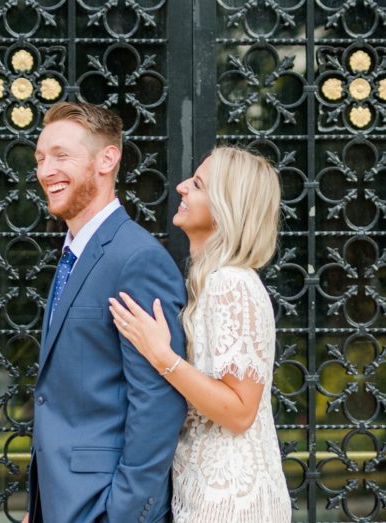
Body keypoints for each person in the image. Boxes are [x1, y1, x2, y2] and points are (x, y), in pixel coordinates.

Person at [23, 102, 188, 523]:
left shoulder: (136, 259)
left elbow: (158, 400)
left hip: (103, 506)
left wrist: (124, 512)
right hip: (60, 501)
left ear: (107, 159)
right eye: (40, 159)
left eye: (61, 156)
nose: (45, 171)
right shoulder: (73, 254)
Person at [109, 146, 292, 523]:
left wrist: (162, 356)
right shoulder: (213, 282)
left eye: (197, 184)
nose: (180, 187)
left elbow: (240, 412)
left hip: (231, 503)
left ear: (226, 206)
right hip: (208, 495)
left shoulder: (231, 284)